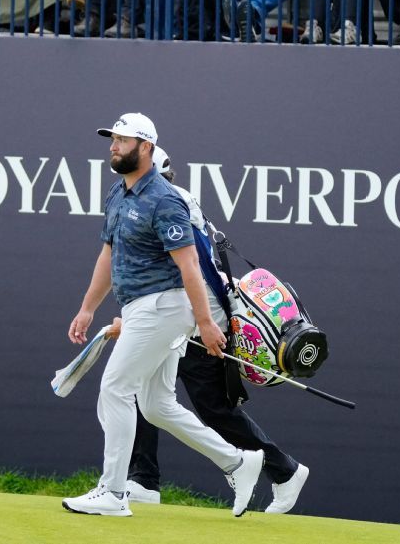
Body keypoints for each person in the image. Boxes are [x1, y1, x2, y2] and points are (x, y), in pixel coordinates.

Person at [61, 112, 264, 519]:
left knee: (115, 389)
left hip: (164, 308)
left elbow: (190, 266)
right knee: (156, 405)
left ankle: (114, 492)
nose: (113, 146)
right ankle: (239, 463)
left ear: (146, 148)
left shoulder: (165, 199)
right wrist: (87, 307)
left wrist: (206, 323)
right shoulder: (118, 195)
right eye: (112, 139)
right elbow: (109, 254)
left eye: (123, 140)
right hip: (140, 307)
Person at [119, 145, 310, 515]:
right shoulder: (172, 201)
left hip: (199, 321)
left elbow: (183, 275)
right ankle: (143, 479)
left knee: (214, 410)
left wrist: (197, 323)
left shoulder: (164, 206)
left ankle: (284, 471)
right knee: (143, 385)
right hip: (190, 317)